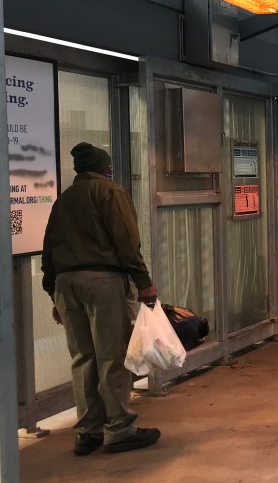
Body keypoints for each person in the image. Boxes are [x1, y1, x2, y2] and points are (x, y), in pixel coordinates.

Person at [42, 142, 161, 456]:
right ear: (106, 167)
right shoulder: (111, 193)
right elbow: (127, 242)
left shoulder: (63, 200)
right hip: (102, 281)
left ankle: (87, 432)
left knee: (83, 358)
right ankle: (119, 429)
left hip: (66, 284)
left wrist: (55, 294)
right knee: (111, 356)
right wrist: (144, 283)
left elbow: (48, 252)